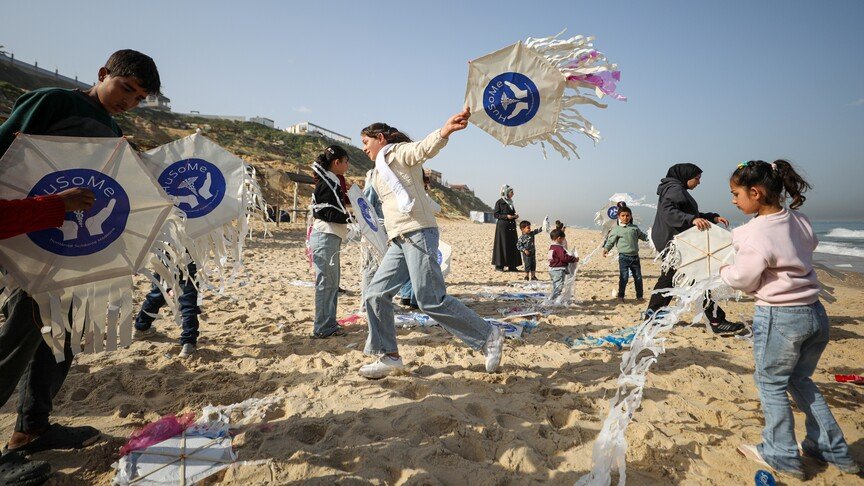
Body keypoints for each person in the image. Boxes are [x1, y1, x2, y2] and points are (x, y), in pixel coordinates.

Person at [0, 49, 159, 484]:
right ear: (103, 73)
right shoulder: (52, 102)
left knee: (61, 340)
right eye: (126, 88)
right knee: (17, 338)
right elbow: (6, 159)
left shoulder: (112, 128)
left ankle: (32, 429)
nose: (129, 101)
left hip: (80, 249)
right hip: (34, 246)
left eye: (140, 97)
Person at [720, 160, 859, 479]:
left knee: (770, 382)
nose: (733, 200)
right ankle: (832, 448)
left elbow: (743, 278)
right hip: (814, 314)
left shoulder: (751, 232)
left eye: (735, 193)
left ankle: (780, 453)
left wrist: (724, 272)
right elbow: (808, 246)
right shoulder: (801, 220)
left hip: (781, 317)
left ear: (755, 193)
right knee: (800, 379)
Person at [359, 108, 504, 379]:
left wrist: (445, 130)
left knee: (431, 300)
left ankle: (488, 336)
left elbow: (423, 149)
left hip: (418, 233)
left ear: (379, 138)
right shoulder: (377, 172)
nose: (364, 149)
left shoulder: (397, 153)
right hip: (398, 240)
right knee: (375, 294)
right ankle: (389, 356)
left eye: (366, 142)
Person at [644, 163, 745, 335]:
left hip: (676, 244)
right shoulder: (674, 189)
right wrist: (691, 220)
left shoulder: (674, 189)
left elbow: (688, 214)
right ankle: (716, 320)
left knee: (673, 280)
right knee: (697, 279)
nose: (699, 182)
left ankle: (651, 316)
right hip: (677, 245)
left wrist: (710, 217)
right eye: (697, 178)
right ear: (685, 176)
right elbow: (669, 212)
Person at [309, 145, 351, 338]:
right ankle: (323, 328)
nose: (347, 165)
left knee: (332, 284)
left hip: (330, 237)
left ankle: (329, 323)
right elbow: (323, 211)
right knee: (326, 284)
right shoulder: (327, 183)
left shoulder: (332, 180)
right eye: (346, 161)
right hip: (325, 236)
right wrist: (349, 218)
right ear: (337, 162)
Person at [133, 262, 201, 357]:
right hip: (186, 258)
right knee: (188, 299)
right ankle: (188, 343)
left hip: (164, 256)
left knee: (158, 292)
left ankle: (141, 327)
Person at [602, 204, 648, 302]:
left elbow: (644, 237)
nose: (625, 218)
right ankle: (621, 296)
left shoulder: (634, 228)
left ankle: (639, 296)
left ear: (631, 216)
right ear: (618, 217)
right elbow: (610, 241)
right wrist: (606, 249)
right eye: (623, 216)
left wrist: (652, 236)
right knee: (624, 277)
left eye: (627, 215)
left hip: (635, 257)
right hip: (623, 257)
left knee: (638, 277)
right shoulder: (616, 229)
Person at [492, 185, 521, 271]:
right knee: (502, 244)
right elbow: (496, 215)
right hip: (503, 227)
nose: (513, 194)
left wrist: (515, 216)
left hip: (511, 226)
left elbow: (511, 213)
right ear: (506, 193)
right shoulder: (499, 202)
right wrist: (506, 216)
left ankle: (512, 265)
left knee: (512, 244)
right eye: (511, 192)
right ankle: (499, 266)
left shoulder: (511, 202)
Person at [548, 228, 578, 300]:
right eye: (563, 239)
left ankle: (553, 298)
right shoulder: (559, 248)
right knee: (559, 286)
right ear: (559, 238)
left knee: (556, 285)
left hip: (552, 269)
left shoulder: (552, 247)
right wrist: (574, 259)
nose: (563, 241)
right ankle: (553, 300)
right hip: (558, 270)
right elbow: (564, 257)